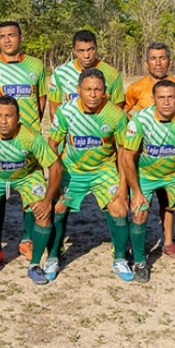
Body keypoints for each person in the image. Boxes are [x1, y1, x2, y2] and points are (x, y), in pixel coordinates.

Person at [0, 96, 62, 285]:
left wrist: (48, 199)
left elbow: (55, 166)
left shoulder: (31, 137)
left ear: (18, 117)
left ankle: (34, 265)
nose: (3, 120)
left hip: (27, 176)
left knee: (43, 213)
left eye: (9, 116)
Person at [120, 80, 175, 284]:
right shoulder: (140, 120)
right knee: (139, 210)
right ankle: (141, 262)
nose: (166, 102)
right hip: (145, 173)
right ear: (154, 99)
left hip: (174, 173)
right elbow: (127, 157)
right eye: (161, 97)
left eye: (171, 97)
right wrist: (136, 190)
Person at [0, 21, 48, 265]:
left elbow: (41, 102)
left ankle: (27, 240)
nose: (7, 40)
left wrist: (31, 130)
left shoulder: (36, 65)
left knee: (31, 191)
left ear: (21, 37)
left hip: (27, 143)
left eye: (12, 35)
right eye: (2, 36)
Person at [49, 68, 130, 281]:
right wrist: (54, 177)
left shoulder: (116, 115)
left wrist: (123, 186)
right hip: (72, 170)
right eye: (88, 89)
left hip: (103, 170)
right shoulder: (65, 112)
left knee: (119, 208)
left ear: (105, 92)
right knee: (57, 206)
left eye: (97, 89)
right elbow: (53, 144)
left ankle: (120, 257)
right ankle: (54, 255)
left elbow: (123, 152)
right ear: (78, 90)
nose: (93, 94)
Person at [124, 42, 175, 256]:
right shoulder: (136, 87)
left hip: (170, 153)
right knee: (139, 198)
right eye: (154, 58)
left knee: (167, 199)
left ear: (169, 61)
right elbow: (123, 110)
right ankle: (138, 241)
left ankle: (167, 241)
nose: (158, 63)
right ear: (146, 62)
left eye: (163, 58)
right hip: (144, 154)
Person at [48, 30, 125, 117]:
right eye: (81, 50)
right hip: (71, 129)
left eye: (90, 49)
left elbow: (118, 109)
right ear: (74, 51)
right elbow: (54, 108)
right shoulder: (60, 73)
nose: (86, 55)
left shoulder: (112, 74)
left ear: (96, 48)